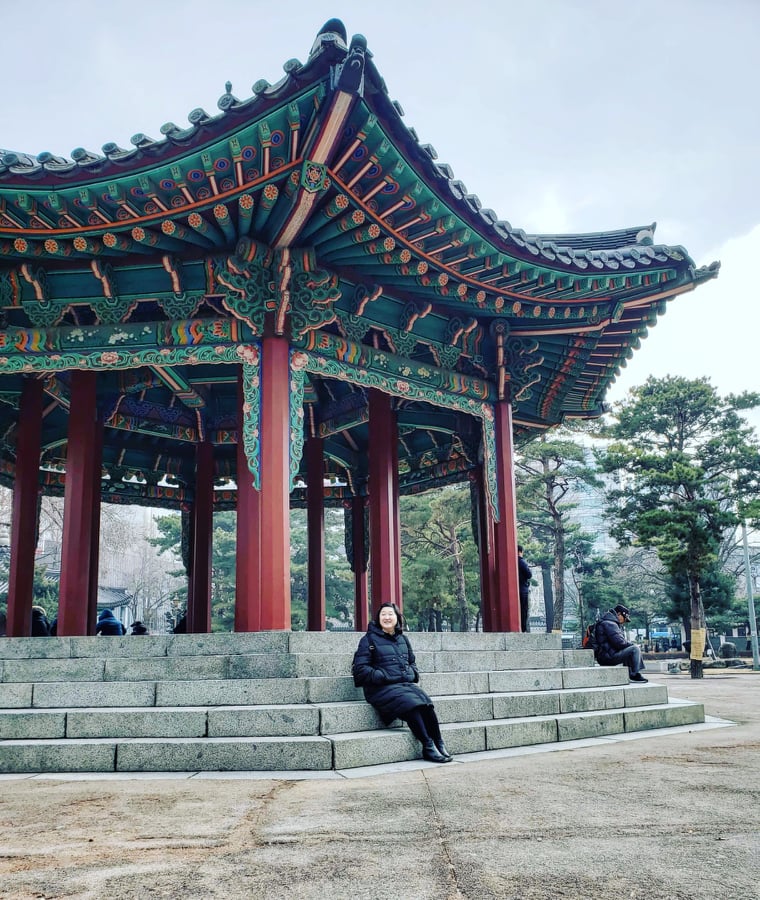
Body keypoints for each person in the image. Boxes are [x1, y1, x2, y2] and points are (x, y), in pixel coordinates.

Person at [352, 602, 453, 763]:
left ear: (397, 618)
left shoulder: (403, 639)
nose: (387, 617)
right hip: (379, 689)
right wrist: (382, 675)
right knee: (410, 704)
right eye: (383, 614)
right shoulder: (368, 639)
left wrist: (412, 673)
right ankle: (427, 746)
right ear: (378, 618)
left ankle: (438, 742)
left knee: (426, 704)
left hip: (402, 685)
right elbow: (360, 669)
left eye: (390, 614)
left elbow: (412, 663)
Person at [594, 604, 648, 683]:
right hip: (608, 657)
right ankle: (634, 674)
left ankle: (631, 673)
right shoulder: (610, 624)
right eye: (624, 618)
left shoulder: (607, 622)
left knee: (629, 649)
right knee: (635, 649)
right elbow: (620, 643)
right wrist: (632, 645)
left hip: (605, 656)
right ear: (619, 614)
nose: (624, 621)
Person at [517, 545, 532, 633]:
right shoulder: (521, 562)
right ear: (520, 551)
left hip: (517, 589)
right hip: (523, 590)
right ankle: (523, 629)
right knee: (524, 610)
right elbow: (529, 574)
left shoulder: (511, 562)